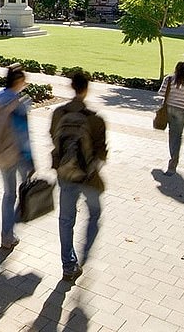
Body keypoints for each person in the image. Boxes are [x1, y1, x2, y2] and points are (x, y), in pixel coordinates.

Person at [50, 71, 107, 283]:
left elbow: (53, 139)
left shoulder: (58, 114)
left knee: (66, 220)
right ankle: (85, 252)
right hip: (87, 175)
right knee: (94, 212)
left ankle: (68, 264)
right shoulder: (95, 119)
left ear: (72, 87)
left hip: (64, 173)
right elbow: (101, 151)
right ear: (86, 89)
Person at [0, 63, 35, 250]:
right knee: (25, 192)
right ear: (19, 81)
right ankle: (9, 231)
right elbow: (23, 134)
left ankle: (7, 235)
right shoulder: (19, 104)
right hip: (17, 154)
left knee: (8, 193)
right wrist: (31, 160)